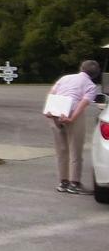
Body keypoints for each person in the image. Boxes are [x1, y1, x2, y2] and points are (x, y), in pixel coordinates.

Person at [45, 59, 101, 194]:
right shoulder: (90, 85)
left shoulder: (65, 78)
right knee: (75, 149)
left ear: (81, 68)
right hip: (72, 113)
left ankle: (63, 182)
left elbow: (52, 92)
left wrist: (49, 110)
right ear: (96, 74)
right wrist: (71, 118)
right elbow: (83, 103)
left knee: (61, 150)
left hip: (55, 113)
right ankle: (74, 183)